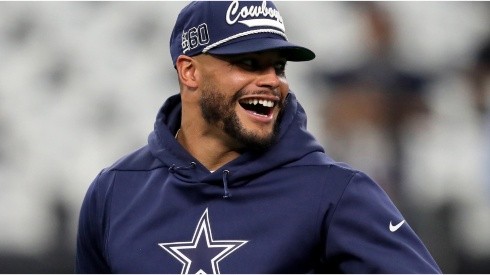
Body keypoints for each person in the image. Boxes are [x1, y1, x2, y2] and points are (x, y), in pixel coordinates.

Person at [75, 1, 442, 273]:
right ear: (189, 73)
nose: (272, 80)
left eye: (278, 66)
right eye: (249, 63)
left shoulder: (336, 193)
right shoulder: (115, 192)